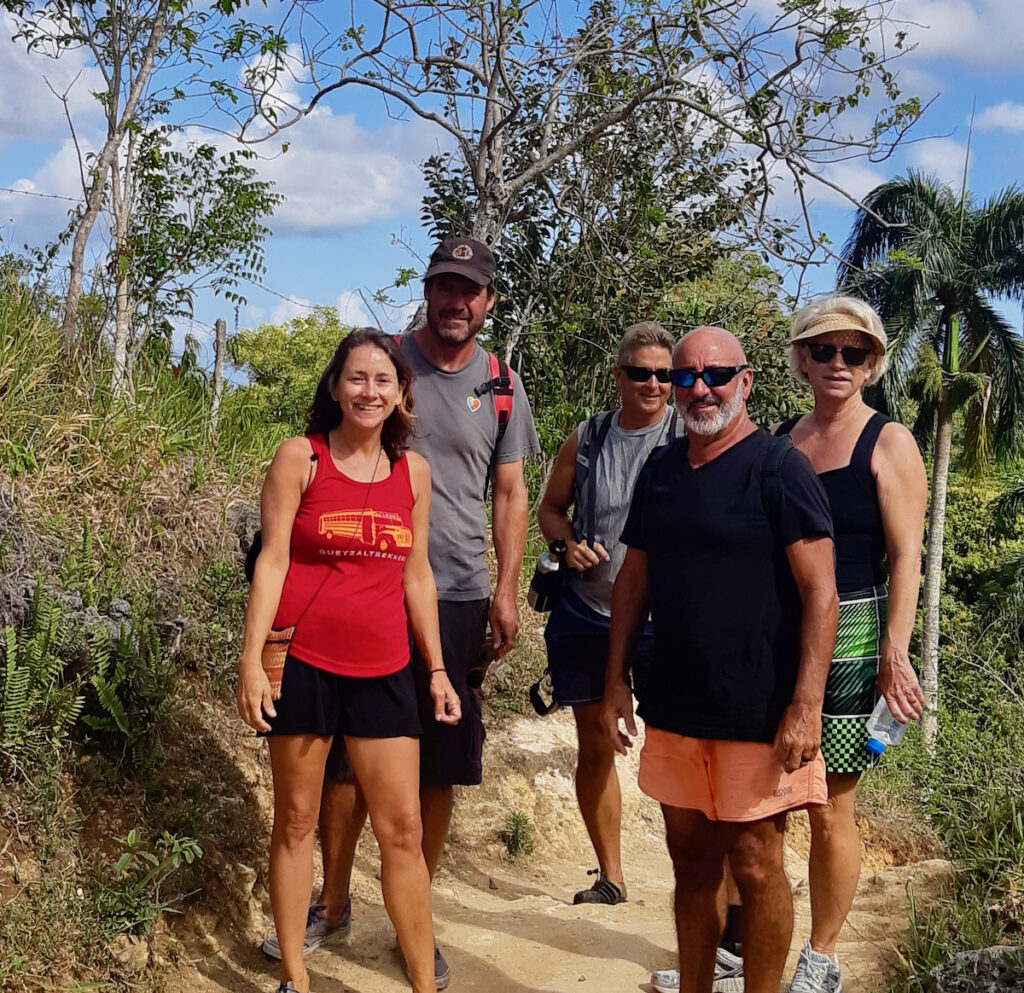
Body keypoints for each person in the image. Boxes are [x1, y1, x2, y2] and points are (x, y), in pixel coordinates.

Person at [261, 237, 540, 990]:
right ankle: (331, 902)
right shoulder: (378, 369)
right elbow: (284, 541)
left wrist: (504, 590)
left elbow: (510, 494)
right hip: (336, 622)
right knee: (330, 785)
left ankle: (420, 941)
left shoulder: (503, 388)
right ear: (427, 290)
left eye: (471, 290)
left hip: (446, 598)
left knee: (427, 785)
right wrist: (255, 653)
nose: (457, 300)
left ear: (487, 300)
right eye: (445, 286)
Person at [602, 326, 839, 993]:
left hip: (759, 709)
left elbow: (823, 594)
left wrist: (806, 705)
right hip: (676, 703)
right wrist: (614, 678)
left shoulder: (779, 466)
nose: (700, 388)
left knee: (758, 862)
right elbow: (633, 579)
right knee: (691, 862)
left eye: (716, 374)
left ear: (747, 381)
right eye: (685, 377)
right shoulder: (663, 470)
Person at [236, 328, 462, 993]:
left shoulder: (412, 473)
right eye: (357, 378)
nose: (370, 390)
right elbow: (271, 562)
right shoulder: (299, 458)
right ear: (335, 387)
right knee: (296, 821)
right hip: (303, 660)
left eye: (383, 380)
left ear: (400, 393)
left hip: (387, 668)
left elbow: (418, 576)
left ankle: (423, 980)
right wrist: (251, 661)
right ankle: (296, 977)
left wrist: (438, 668)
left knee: (403, 829)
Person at [776, 297, 927, 993]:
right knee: (762, 796)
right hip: (778, 628)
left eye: (855, 352)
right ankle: (744, 949)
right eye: (825, 349)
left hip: (856, 629)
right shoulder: (780, 438)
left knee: (830, 801)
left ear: (873, 364)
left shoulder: (888, 442)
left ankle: (822, 956)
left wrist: (895, 651)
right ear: (801, 358)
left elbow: (907, 557)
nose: (839, 363)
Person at [536, 320, 681, 906]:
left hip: (664, 624)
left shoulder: (688, 436)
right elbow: (549, 509)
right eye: (641, 372)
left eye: (664, 374)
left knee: (677, 751)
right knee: (594, 744)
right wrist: (567, 545)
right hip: (588, 612)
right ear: (618, 375)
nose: (653, 383)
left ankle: (696, 889)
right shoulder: (588, 439)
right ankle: (611, 877)